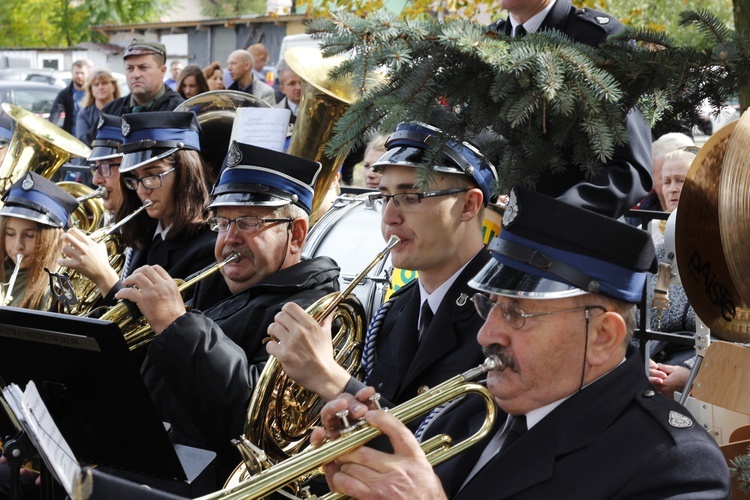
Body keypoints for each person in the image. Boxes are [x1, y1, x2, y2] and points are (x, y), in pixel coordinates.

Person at [313, 186, 730, 499]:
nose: (485, 334)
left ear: (603, 336)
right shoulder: (473, 409)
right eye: (491, 305)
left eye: (518, 312)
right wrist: (366, 451)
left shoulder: (676, 465)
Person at [112, 140, 340, 485]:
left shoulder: (312, 309)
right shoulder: (212, 283)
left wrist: (176, 324)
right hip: (150, 465)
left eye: (248, 221)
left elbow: (251, 419)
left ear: (295, 234)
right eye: (221, 223)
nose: (229, 238)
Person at [268, 121, 498, 413]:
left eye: (410, 197)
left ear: (468, 206)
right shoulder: (395, 311)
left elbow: (443, 449)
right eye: (385, 197)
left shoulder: (498, 318)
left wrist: (331, 379)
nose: (389, 217)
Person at [489, 0, 653, 219]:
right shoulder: (488, 41)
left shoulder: (601, 39)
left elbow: (630, 171)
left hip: (572, 240)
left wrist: (550, 215)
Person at [0, 172, 78, 310]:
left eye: (29, 235)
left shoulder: (57, 292)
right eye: (10, 234)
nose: (18, 245)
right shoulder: (6, 273)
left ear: (54, 238)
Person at [98, 39, 184, 120]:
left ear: (162, 71)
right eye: (130, 68)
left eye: (143, 67)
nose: (136, 75)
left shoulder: (180, 111)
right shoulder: (111, 112)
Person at [75, 69, 121, 146]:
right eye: (96, 84)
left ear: (113, 86)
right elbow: (83, 142)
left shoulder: (124, 107)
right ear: (91, 89)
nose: (100, 87)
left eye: (104, 83)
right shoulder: (84, 113)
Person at [49, 60, 90, 134]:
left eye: (82, 73)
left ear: (88, 74)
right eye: (77, 73)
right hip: (71, 136)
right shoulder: (65, 94)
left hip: (90, 138)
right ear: (72, 73)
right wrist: (50, 131)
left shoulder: (94, 93)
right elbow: (55, 112)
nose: (79, 76)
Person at [274, 59, 301, 125]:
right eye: (292, 83)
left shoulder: (318, 111)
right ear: (282, 89)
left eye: (301, 83)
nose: (298, 87)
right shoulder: (273, 113)